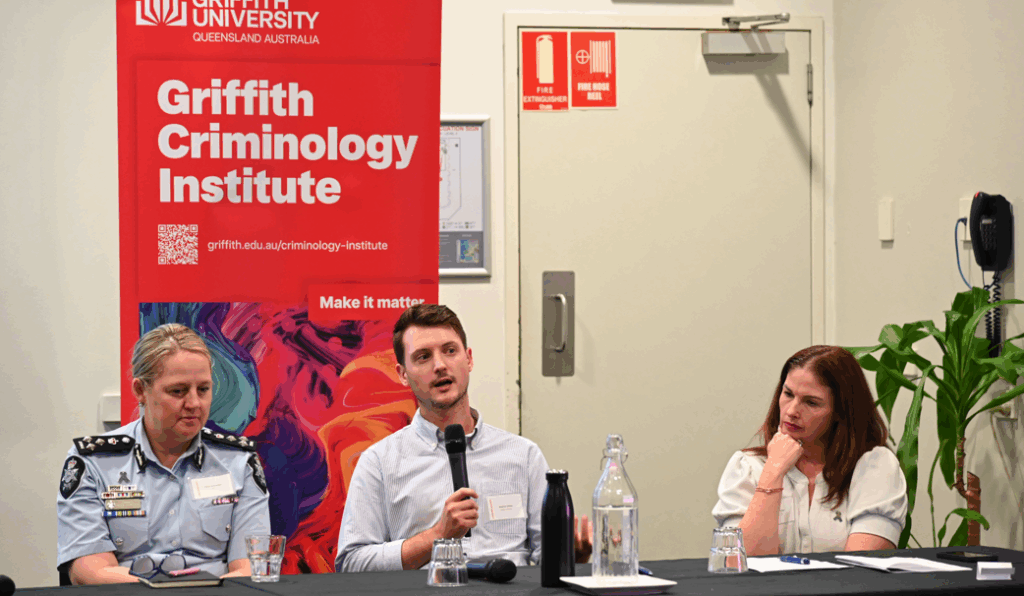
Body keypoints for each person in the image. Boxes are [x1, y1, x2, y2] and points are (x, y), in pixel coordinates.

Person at [335, 304, 592, 572]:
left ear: (468, 359)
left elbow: (547, 558)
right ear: (402, 374)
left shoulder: (523, 456)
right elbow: (352, 564)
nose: (440, 365)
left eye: (450, 351)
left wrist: (573, 556)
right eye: (423, 357)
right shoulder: (379, 462)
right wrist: (436, 536)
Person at [57, 324, 271, 584]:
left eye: (203, 389)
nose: (194, 403)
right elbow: (90, 571)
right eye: (177, 391)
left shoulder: (238, 462)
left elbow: (250, 568)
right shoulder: (93, 462)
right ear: (140, 391)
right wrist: (168, 590)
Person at [712, 345, 908, 555]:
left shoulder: (874, 466)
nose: (792, 410)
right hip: (766, 589)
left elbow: (863, 568)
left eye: (811, 402)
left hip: (841, 588)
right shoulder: (747, 467)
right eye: (788, 394)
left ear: (841, 412)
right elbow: (740, 562)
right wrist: (773, 472)